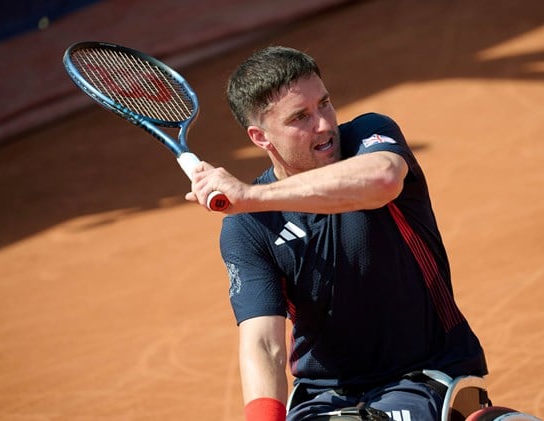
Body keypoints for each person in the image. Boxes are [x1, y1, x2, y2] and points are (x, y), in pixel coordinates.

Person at [186, 46, 488, 421]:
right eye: (301, 117)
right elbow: (264, 342)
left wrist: (251, 197)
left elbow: (382, 178)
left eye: (324, 104)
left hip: (426, 374)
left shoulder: (369, 136)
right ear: (260, 137)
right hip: (324, 396)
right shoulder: (247, 227)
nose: (324, 124)